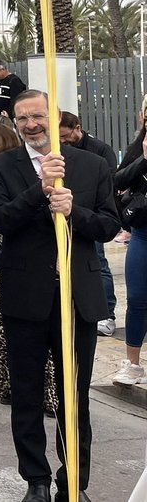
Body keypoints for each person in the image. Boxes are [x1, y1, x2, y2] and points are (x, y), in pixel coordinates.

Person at [0, 90, 119, 502]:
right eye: (22, 119)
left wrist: (73, 210)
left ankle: (73, 483)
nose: (31, 125)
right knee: (26, 395)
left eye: (38, 116)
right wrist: (38, 190)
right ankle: (36, 481)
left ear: (54, 115)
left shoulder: (93, 165)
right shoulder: (0, 167)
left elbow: (109, 225)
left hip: (78, 298)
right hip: (25, 298)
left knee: (73, 397)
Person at [0, 118, 58, 414]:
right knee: (13, 332)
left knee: (29, 334)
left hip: (22, 261)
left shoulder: (5, 173)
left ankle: (34, 389)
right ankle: (12, 384)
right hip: (9, 264)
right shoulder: (0, 171)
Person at [60, 110, 119, 337]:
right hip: (64, 214)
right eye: (60, 137)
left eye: (67, 136)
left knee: (99, 262)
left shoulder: (100, 150)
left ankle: (107, 313)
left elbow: (110, 182)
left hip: (90, 217)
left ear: (78, 128)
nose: (64, 141)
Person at [114, 105, 147, 390]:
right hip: (142, 233)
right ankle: (133, 364)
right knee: (137, 299)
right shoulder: (138, 146)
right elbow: (118, 179)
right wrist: (145, 159)